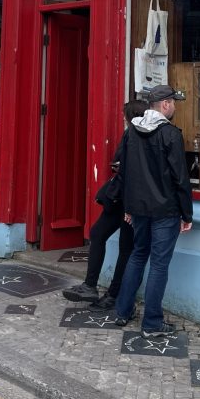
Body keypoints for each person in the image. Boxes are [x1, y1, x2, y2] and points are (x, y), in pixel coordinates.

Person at [114, 84, 193, 338]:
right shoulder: (170, 134)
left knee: (138, 255)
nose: (175, 107)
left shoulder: (131, 132)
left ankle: (122, 311)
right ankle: (152, 323)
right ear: (166, 105)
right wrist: (187, 213)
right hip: (165, 210)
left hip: (139, 208)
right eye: (174, 103)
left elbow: (124, 172)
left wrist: (128, 206)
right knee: (159, 264)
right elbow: (180, 179)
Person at [62, 99, 146, 308]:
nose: (123, 120)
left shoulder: (132, 135)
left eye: (124, 116)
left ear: (130, 117)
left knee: (107, 239)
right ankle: (104, 291)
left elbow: (129, 169)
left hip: (127, 201)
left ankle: (102, 290)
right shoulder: (143, 135)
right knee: (114, 242)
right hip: (128, 200)